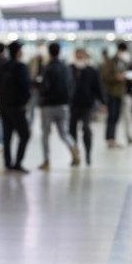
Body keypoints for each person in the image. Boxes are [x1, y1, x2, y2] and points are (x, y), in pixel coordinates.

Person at [38, 42, 79, 170]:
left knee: (45, 134)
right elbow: (71, 85)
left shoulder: (48, 67)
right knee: (64, 132)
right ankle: (74, 149)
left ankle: (47, 161)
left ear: (49, 52)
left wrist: (42, 95)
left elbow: (45, 86)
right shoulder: (66, 67)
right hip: (64, 105)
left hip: (49, 106)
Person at [0, 41, 32, 172]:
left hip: (5, 107)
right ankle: (18, 163)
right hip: (17, 107)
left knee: (7, 135)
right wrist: (24, 101)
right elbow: (25, 86)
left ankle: (8, 163)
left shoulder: (4, 66)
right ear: (18, 52)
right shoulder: (21, 67)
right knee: (25, 135)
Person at [69, 49, 104, 165]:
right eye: (78, 56)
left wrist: (103, 102)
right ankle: (75, 155)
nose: (80, 58)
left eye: (81, 56)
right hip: (73, 105)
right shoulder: (69, 69)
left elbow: (97, 86)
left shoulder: (91, 71)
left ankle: (88, 154)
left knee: (86, 129)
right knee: (72, 131)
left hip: (87, 105)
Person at [101, 42, 129, 148]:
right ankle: (110, 138)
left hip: (120, 93)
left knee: (116, 116)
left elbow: (124, 72)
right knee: (112, 116)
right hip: (111, 93)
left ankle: (113, 137)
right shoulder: (110, 62)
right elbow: (105, 76)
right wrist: (116, 78)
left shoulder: (122, 62)